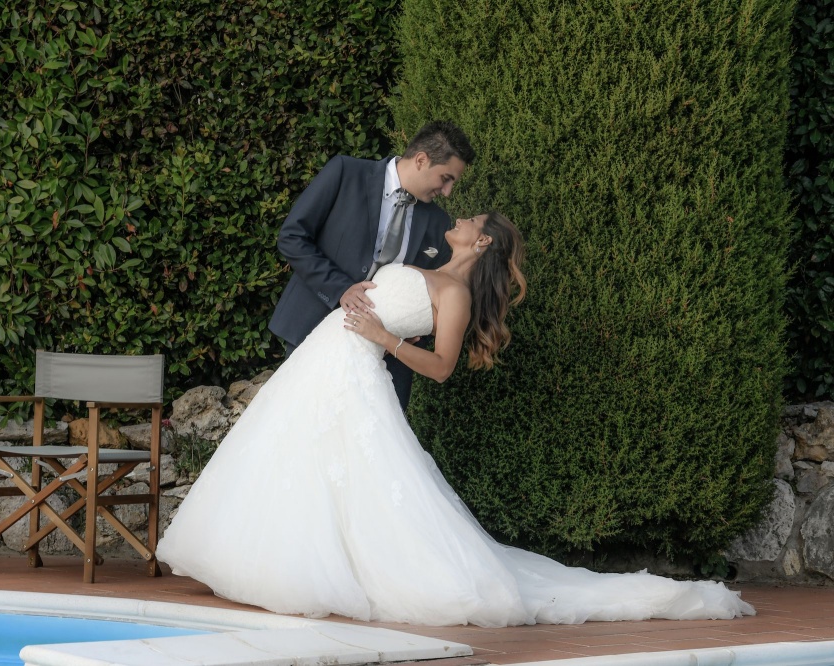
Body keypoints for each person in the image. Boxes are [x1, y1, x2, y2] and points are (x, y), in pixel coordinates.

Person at [157, 212, 754, 627]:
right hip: (320, 365)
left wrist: (382, 336)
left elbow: (441, 366)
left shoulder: (455, 294)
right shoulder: (425, 265)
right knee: (295, 463)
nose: (459, 220)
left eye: (471, 222)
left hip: (355, 371)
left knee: (346, 477)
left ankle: (317, 573)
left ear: (483, 243)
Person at [268, 120, 475, 409]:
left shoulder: (438, 222)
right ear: (421, 160)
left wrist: (420, 325)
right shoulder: (346, 172)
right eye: (446, 178)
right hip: (313, 329)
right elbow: (292, 237)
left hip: (387, 361)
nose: (448, 191)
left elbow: (437, 297)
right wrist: (341, 288)